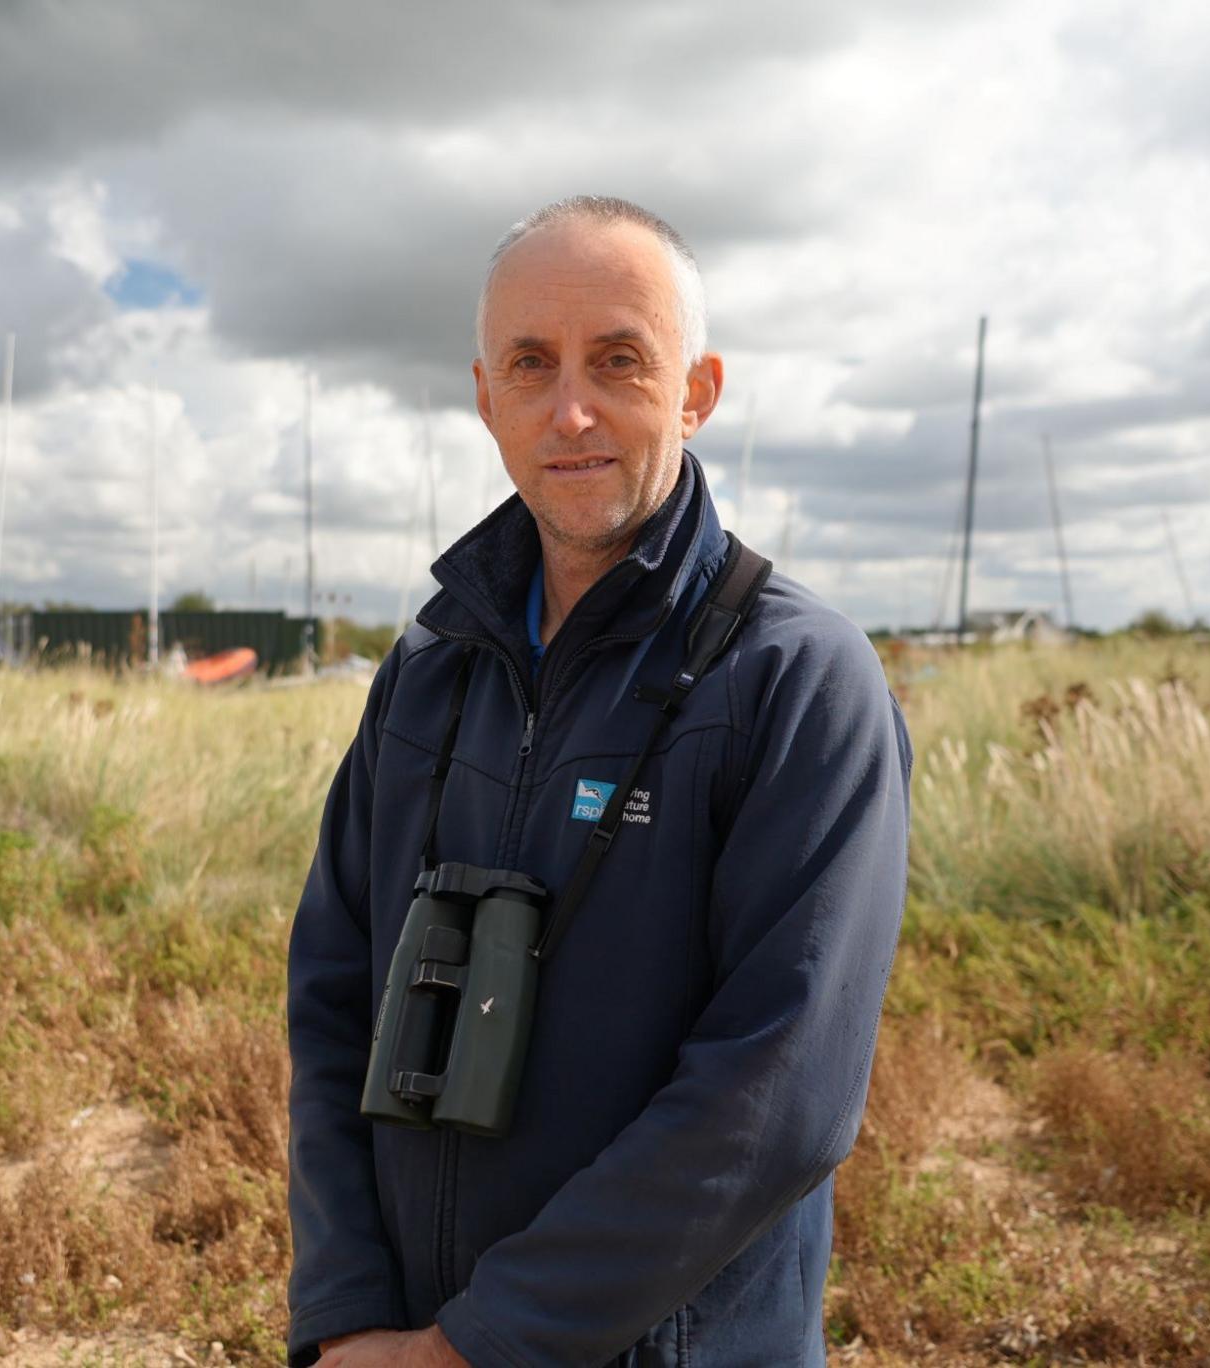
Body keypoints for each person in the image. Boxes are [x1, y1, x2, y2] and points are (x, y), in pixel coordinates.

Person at [286, 195, 913, 1368]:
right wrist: (345, 1316)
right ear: (485, 396)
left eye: (618, 361)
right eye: (530, 364)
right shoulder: (426, 668)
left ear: (696, 391)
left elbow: (776, 1098)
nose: (568, 410)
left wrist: (475, 1347)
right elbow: (329, 1000)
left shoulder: (795, 679)